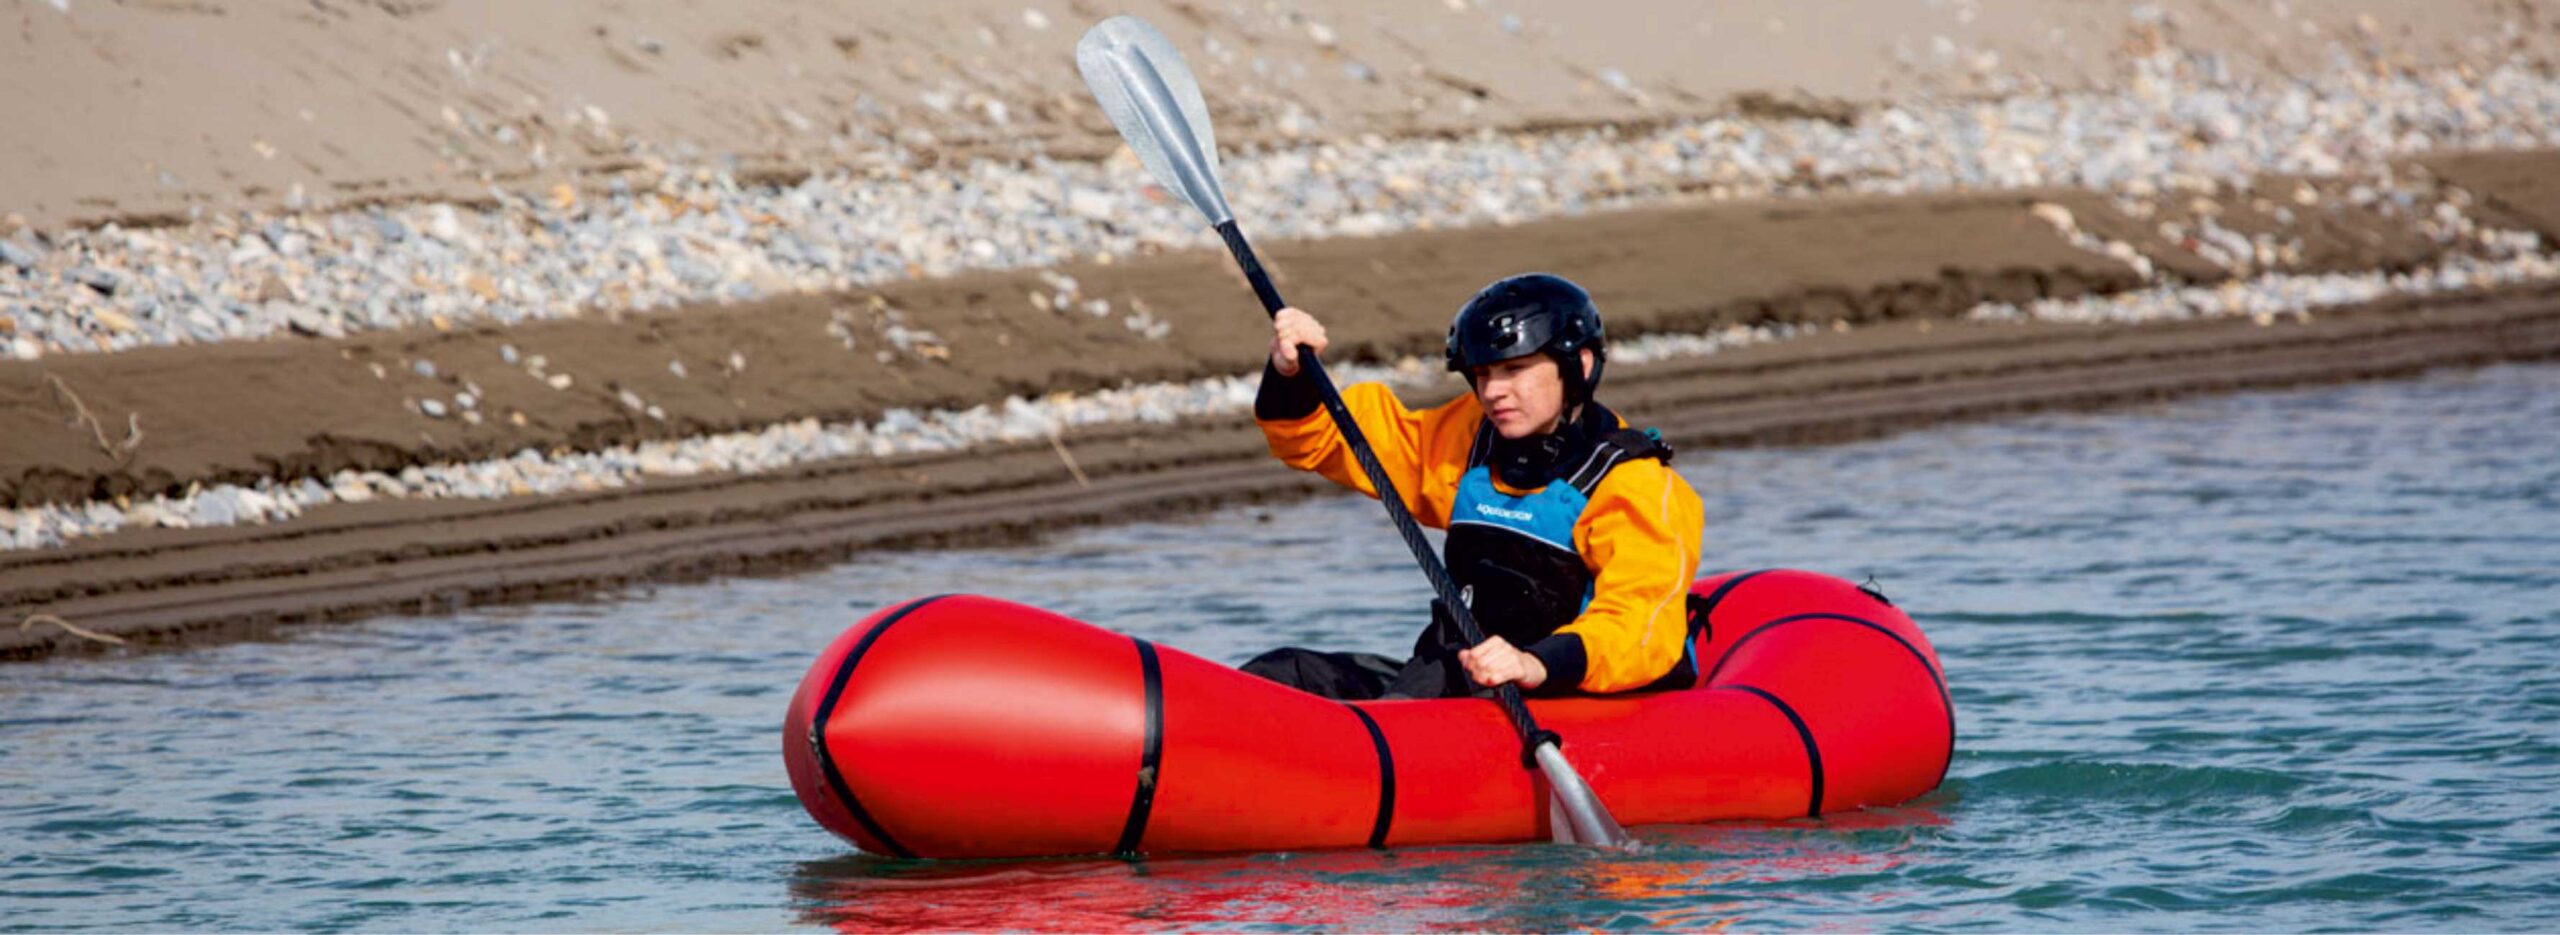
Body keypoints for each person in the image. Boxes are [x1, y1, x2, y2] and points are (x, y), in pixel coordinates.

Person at [1242, 273, 1707, 700]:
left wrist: (1534, 663)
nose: (1493, 391)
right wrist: (1293, 377)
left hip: (1559, 694)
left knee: (1433, 681)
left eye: (1515, 370)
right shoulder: (1472, 439)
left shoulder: (1635, 485)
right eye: (1483, 373)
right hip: (1458, 679)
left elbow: (1640, 622)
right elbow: (1330, 442)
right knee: (1283, 672)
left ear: (1580, 366)